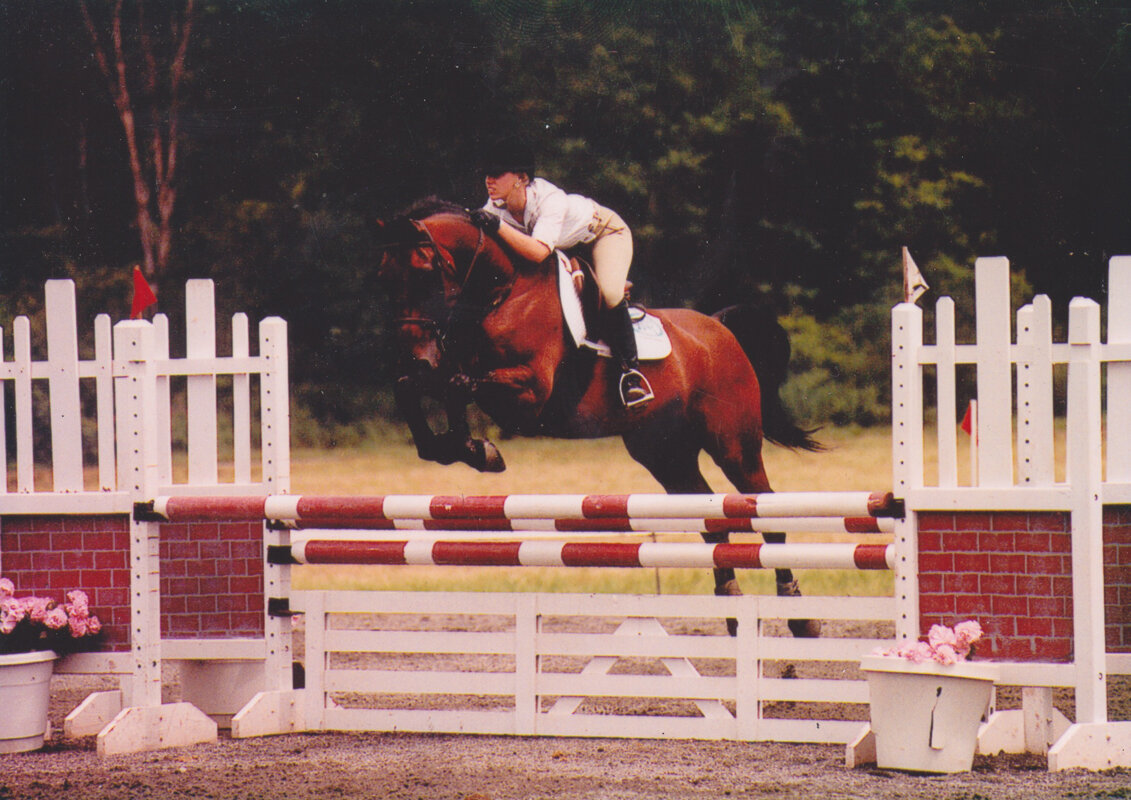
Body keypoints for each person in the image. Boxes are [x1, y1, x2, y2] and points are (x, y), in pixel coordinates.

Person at [469, 142, 654, 409]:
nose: (489, 180)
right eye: (487, 174)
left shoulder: (549, 199)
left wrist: (496, 226)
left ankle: (631, 374)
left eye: (497, 174)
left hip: (602, 234)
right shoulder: (494, 206)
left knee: (610, 294)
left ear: (521, 178)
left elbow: (537, 253)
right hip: (566, 247)